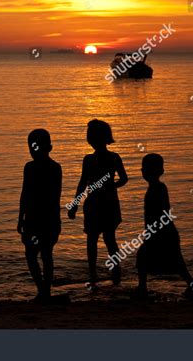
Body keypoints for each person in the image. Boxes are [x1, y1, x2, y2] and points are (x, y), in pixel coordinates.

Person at [68, 119, 128, 289]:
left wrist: (75, 204)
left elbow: (82, 184)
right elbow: (123, 179)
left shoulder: (89, 160)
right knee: (110, 239)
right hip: (108, 203)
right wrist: (112, 185)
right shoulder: (114, 158)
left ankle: (93, 273)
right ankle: (115, 272)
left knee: (93, 240)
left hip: (96, 204)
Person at [135, 153, 193, 298]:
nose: (143, 171)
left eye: (145, 169)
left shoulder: (158, 188)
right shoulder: (156, 187)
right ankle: (191, 285)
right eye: (144, 168)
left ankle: (142, 288)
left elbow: (161, 212)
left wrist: (154, 231)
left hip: (163, 231)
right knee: (173, 261)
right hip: (163, 231)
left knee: (146, 258)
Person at [17, 129, 62, 302]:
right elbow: (24, 194)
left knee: (42, 254)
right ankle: (43, 289)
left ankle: (44, 291)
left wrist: (23, 218)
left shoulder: (53, 168)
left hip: (44, 220)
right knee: (35, 254)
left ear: (49, 147)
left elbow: (54, 196)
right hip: (36, 220)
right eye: (31, 146)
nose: (33, 150)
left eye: (36, 146)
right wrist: (21, 218)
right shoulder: (30, 167)